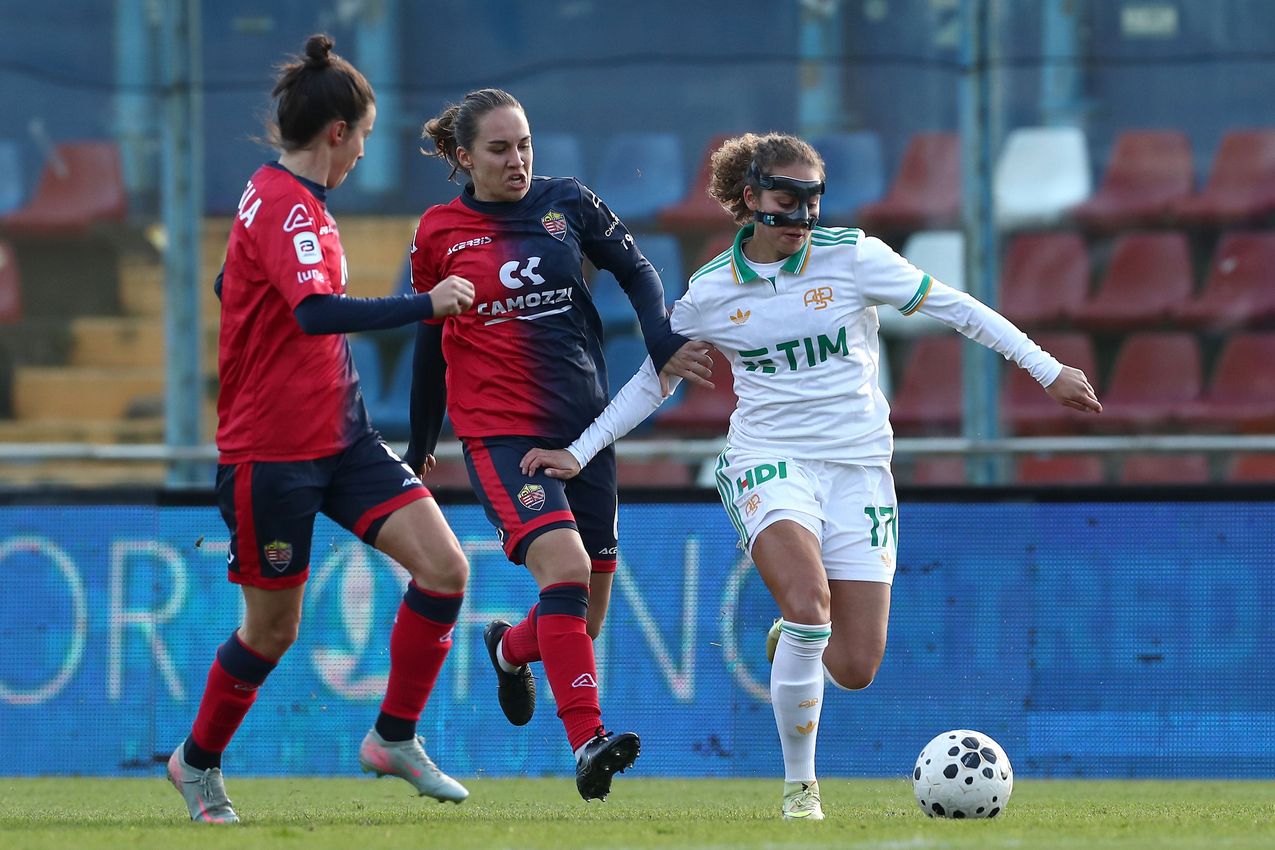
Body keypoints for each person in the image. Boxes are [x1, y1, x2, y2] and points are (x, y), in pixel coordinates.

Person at [521, 132, 1103, 820]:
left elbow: (956, 308)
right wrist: (580, 452)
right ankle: (802, 791)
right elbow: (654, 382)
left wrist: (1046, 369)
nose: (800, 215)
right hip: (767, 461)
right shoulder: (710, 291)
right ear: (750, 200)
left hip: (858, 469)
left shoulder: (852, 257)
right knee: (807, 602)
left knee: (854, 666)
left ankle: (795, 638)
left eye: (811, 200)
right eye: (785, 199)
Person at [167, 34, 477, 824]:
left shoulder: (279, 202)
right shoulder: (286, 205)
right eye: (365, 135)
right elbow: (313, 313)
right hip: (270, 452)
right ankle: (195, 764)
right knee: (272, 631)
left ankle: (394, 737)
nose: (365, 152)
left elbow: (232, 278)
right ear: (337, 131)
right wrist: (427, 301)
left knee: (444, 569)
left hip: (341, 436)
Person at [405, 88, 713, 801]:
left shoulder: (566, 202)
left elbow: (636, 270)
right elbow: (429, 340)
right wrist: (422, 441)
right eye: (497, 149)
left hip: (584, 429)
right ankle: (587, 742)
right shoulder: (439, 233)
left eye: (524, 146)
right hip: (499, 434)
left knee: (585, 616)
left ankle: (510, 649)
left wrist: (659, 335)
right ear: (460, 157)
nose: (516, 162)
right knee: (566, 570)